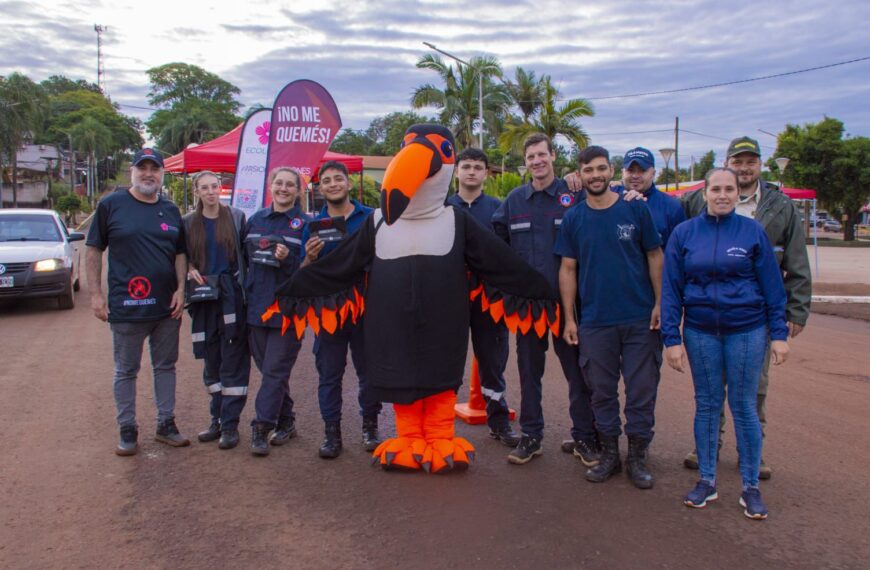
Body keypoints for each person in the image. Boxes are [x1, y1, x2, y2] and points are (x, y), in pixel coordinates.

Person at [661, 167, 789, 519]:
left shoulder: (752, 232)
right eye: (715, 189)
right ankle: (707, 481)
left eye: (728, 189)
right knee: (706, 405)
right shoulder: (684, 234)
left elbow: (772, 288)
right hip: (700, 332)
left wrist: (779, 335)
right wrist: (671, 338)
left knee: (744, 406)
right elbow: (671, 289)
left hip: (747, 330)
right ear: (705, 193)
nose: (722, 195)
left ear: (737, 193)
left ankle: (750, 487)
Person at [555, 145, 664, 489]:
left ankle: (637, 455)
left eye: (601, 168)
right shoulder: (574, 218)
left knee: (641, 391)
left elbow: (655, 256)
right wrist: (571, 319)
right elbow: (567, 269)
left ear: (610, 171)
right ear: (581, 175)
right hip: (595, 321)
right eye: (588, 170)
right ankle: (610, 454)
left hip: (638, 319)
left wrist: (661, 304)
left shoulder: (635, 210)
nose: (596, 175)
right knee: (601, 391)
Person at [492, 133, 597, 465]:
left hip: (569, 307)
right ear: (525, 162)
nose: (537, 161)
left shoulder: (573, 195)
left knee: (578, 375)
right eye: (531, 157)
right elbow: (497, 244)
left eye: (542, 154)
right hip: (529, 308)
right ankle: (531, 436)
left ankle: (584, 437)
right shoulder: (514, 201)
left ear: (553, 156)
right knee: (528, 373)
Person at [85, 148, 189, 456]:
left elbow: (180, 253)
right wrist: (96, 295)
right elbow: (93, 250)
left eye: (154, 169)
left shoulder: (170, 211)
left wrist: (181, 288)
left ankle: (166, 424)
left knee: (166, 366)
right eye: (142, 168)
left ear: (161, 174)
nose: (148, 174)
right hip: (126, 307)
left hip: (166, 308)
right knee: (126, 370)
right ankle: (127, 429)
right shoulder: (111, 205)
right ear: (132, 172)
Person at [300, 160, 381, 458]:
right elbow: (302, 271)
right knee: (329, 374)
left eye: (338, 179)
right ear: (320, 188)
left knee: (369, 372)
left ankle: (370, 426)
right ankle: (331, 433)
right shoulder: (313, 226)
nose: (333, 184)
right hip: (328, 312)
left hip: (365, 309)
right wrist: (309, 257)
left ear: (349, 183)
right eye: (327, 181)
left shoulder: (371, 218)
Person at [445, 148, 520, 447]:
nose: (472, 171)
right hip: (450, 299)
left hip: (489, 300)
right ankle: (440, 427)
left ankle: (499, 422)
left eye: (478, 167)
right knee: (446, 362)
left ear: (486, 173)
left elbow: (508, 254)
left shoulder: (499, 209)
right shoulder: (442, 207)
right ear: (457, 172)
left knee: (493, 361)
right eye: (466, 166)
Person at [183, 171, 250, 450]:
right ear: (197, 191)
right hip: (203, 300)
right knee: (211, 359)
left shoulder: (235, 217)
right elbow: (182, 258)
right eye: (204, 188)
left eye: (214, 186)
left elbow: (246, 256)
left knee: (233, 356)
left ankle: (231, 425)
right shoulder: (188, 223)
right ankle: (217, 419)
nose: (210, 192)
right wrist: (189, 269)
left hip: (231, 298)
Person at [245, 167, 309, 456]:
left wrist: (288, 260)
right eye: (279, 183)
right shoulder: (255, 220)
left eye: (290, 185)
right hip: (256, 308)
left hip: (288, 311)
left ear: (298, 191)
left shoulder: (305, 224)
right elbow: (245, 262)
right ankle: (287, 419)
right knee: (270, 370)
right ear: (270, 186)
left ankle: (262, 426)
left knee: (273, 371)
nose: (283, 189)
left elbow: (311, 272)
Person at [618, 147, 686, 248]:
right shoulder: (610, 199)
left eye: (642, 170)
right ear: (622, 173)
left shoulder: (672, 207)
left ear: (653, 174)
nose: (635, 176)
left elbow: (682, 249)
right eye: (630, 170)